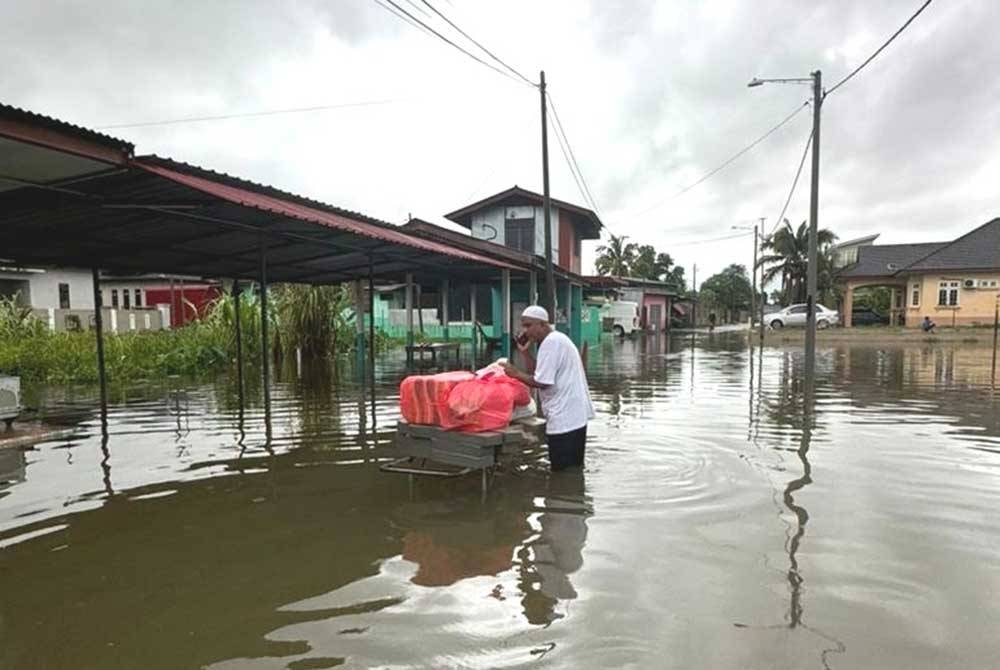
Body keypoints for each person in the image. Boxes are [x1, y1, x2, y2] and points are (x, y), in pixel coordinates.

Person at [500, 306, 595, 471]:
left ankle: (561, 495)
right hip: (573, 417)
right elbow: (539, 373)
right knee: (573, 469)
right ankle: (571, 494)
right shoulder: (556, 340)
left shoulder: (551, 343)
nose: (525, 331)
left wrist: (514, 373)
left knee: (562, 471)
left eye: (529, 325)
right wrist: (525, 352)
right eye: (523, 326)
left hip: (565, 419)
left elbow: (542, 382)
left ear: (542, 324)